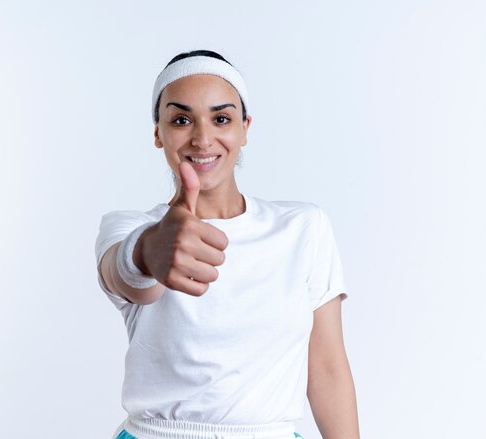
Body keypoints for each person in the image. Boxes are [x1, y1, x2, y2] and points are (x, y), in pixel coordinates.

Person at [95, 49, 360, 439]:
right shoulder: (131, 229)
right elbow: (123, 274)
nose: (203, 139)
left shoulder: (303, 228)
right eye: (181, 119)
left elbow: (327, 368)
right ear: (158, 132)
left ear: (244, 128)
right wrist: (148, 252)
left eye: (221, 118)